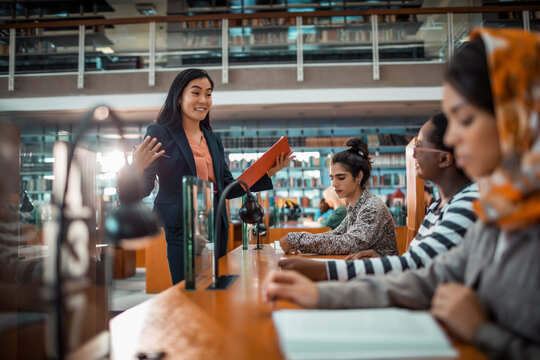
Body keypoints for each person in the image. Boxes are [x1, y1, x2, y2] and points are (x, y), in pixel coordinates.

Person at [264, 28, 540, 359]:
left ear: (520, 119)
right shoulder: (500, 214)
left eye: (465, 119)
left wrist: (483, 332)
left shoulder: (480, 207)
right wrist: (324, 294)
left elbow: (411, 267)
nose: (451, 139)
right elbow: (429, 278)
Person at [133, 68, 292, 284]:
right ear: (179, 98)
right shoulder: (159, 132)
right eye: (196, 93)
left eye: (208, 94)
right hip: (182, 225)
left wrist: (267, 172)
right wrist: (136, 168)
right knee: (186, 287)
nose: (204, 100)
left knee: (214, 285)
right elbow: (143, 189)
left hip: (216, 223)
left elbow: (228, 188)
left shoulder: (213, 139)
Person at [279, 113, 478, 281]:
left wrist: (306, 249)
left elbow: (413, 266)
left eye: (420, 147)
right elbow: (414, 261)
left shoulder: (465, 205)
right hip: (393, 280)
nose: (413, 155)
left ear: (444, 158)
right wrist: (379, 257)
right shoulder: (436, 207)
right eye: (332, 178)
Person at [280, 138, 398, 256]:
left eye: (341, 178)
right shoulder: (355, 207)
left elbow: (350, 244)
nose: (333, 184)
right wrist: (302, 241)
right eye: (332, 178)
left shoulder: (371, 206)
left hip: (382, 272)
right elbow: (335, 235)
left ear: (359, 176)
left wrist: (296, 239)